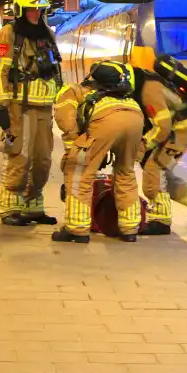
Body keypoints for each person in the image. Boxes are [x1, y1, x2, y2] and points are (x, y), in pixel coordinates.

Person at [0, 0, 62, 226]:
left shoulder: (47, 33)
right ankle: (10, 207)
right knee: (19, 156)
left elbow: (56, 71)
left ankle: (33, 206)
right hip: (19, 107)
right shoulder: (8, 34)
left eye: (40, 9)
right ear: (20, 10)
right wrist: (1, 105)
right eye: (31, 9)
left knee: (43, 159)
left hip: (44, 107)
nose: (36, 14)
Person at [53, 61, 144, 244]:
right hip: (135, 115)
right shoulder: (121, 94)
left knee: (80, 173)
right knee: (125, 172)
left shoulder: (72, 90)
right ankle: (130, 228)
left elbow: (67, 121)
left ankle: (77, 229)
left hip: (106, 120)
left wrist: (73, 151)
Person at [129, 50, 187, 235]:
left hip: (182, 127)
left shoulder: (147, 91)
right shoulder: (142, 83)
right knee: (163, 176)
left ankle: (161, 220)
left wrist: (144, 146)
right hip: (179, 124)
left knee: (155, 168)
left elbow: (163, 126)